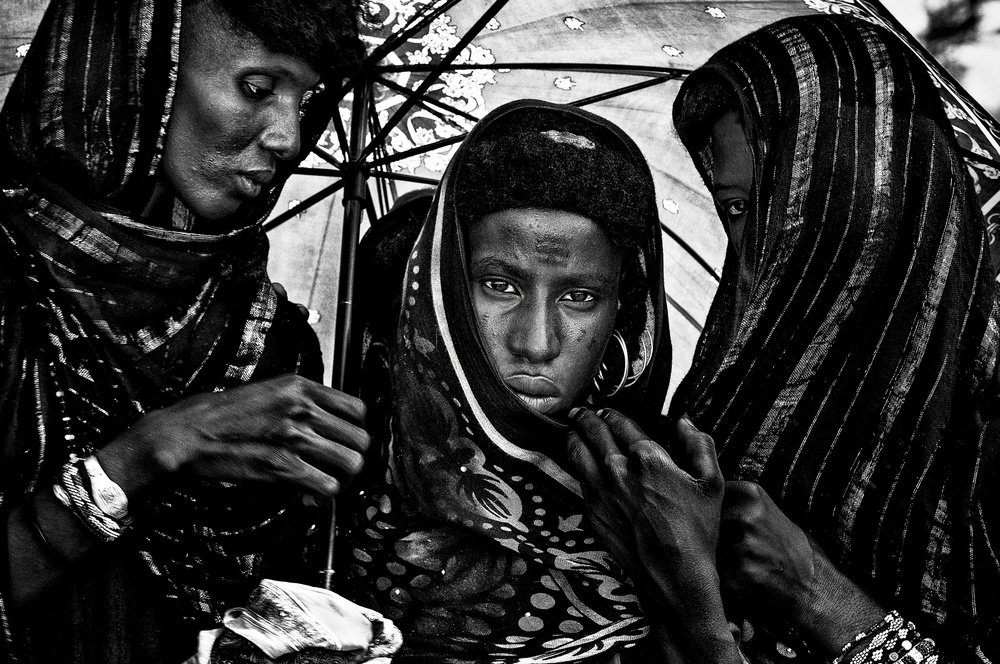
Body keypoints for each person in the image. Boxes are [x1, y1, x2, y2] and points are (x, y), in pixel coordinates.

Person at [568, 14, 1000, 664]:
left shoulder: (984, 443)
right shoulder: (704, 430)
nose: (770, 239)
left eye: (804, 196)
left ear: (897, 189)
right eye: (739, 208)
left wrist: (817, 594)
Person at [0, 0, 368, 661]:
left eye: (308, 98)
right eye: (258, 87)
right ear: (139, 70)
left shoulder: (273, 342)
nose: (288, 135)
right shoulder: (10, 287)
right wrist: (148, 452)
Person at [337, 100, 687, 662]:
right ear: (444, 287)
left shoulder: (665, 494)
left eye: (580, 297)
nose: (536, 342)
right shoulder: (343, 477)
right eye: (499, 286)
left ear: (621, 312)